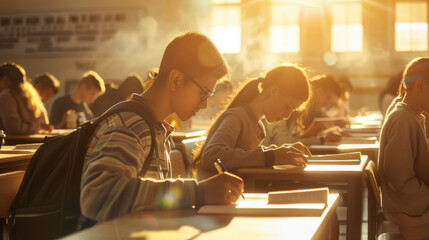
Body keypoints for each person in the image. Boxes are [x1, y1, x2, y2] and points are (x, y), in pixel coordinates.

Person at [79, 32, 243, 226]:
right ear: (176, 80)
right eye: (203, 93)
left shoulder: (155, 129)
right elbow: (98, 196)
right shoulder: (131, 124)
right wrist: (198, 192)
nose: (205, 104)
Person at [194, 64, 311, 180]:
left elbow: (245, 157)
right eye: (288, 107)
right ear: (274, 91)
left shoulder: (256, 125)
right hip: (214, 195)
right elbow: (212, 156)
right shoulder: (236, 118)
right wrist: (271, 156)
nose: (287, 116)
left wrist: (282, 152)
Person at [378, 57, 429, 240]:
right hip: (407, 209)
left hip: (410, 202)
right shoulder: (403, 119)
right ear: (421, 85)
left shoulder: (412, 115)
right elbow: (399, 179)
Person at [263, 74, 344, 147]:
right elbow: (284, 142)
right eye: (327, 98)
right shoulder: (281, 109)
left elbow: (295, 138)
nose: (325, 104)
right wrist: (321, 140)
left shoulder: (297, 111)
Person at [0, 62, 52, 135]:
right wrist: (38, 126)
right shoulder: (29, 96)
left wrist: (38, 126)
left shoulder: (6, 96)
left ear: (5, 80)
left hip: (14, 144)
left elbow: (15, 128)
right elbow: (43, 124)